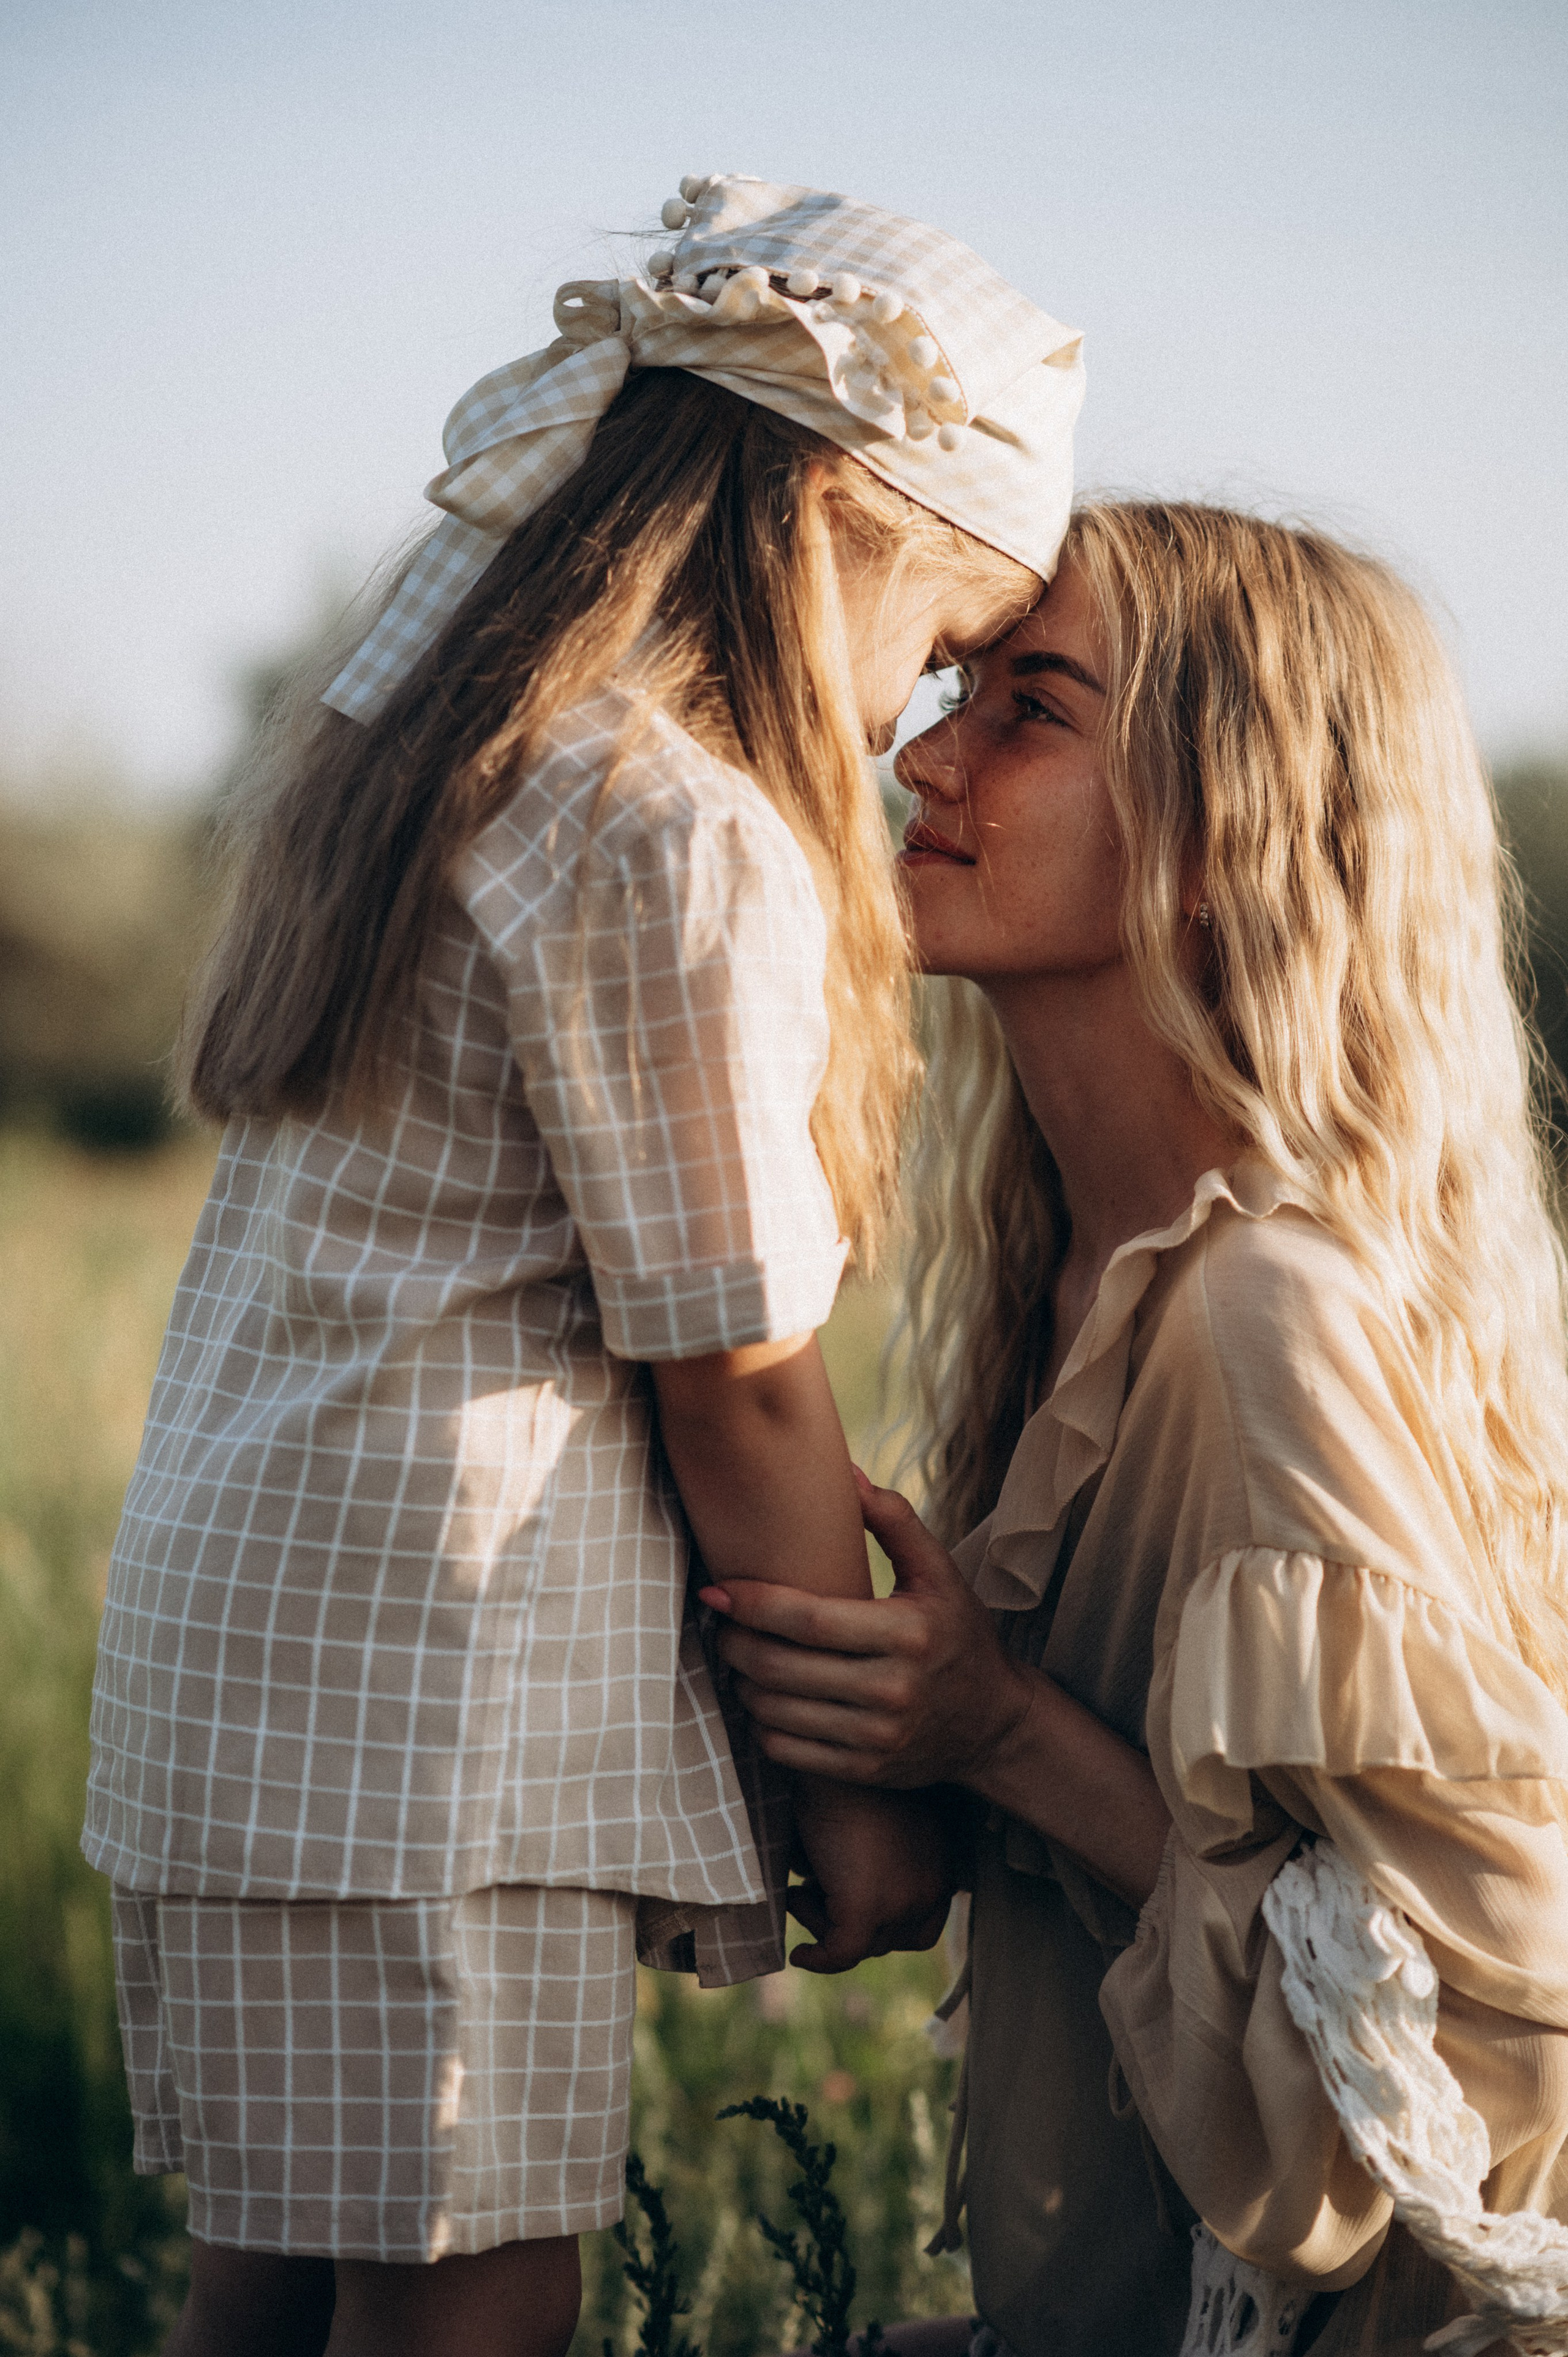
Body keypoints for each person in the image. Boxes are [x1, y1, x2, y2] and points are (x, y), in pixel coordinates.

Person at [80, 175, 1085, 2357]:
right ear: (836, 526)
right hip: (435, 1697)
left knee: (266, 2288)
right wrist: (859, 1796)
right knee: (468, 2310)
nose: (922, 719)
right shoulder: (681, 825)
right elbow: (737, 1366)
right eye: (940, 643)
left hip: (264, 1650)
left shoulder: (475, 749)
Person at [707, 502, 1568, 2356]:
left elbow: (1499, 2045)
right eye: (953, 685)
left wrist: (997, 1732)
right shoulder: (1066, 1268)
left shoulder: (1277, 1317)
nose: (921, 753)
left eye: (1031, 707)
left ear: (1221, 835)